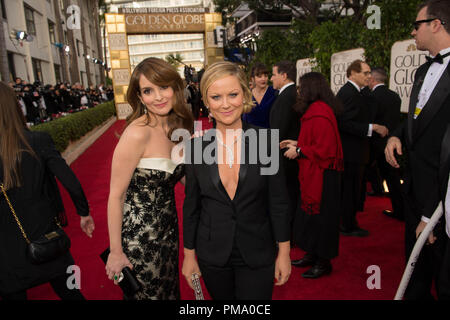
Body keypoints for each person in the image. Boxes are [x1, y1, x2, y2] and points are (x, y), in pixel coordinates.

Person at [182, 61, 291, 300]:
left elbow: (279, 202)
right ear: (207, 102)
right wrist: (189, 256)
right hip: (212, 253)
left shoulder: (265, 142)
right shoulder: (196, 148)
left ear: (244, 94)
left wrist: (284, 251)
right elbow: (191, 207)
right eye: (216, 96)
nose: (225, 104)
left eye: (233, 94)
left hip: (258, 250)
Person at [105, 57, 193, 300]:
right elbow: (116, 196)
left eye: (163, 87)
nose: (158, 97)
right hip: (140, 239)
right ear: (140, 97)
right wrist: (115, 251)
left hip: (169, 233)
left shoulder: (179, 128)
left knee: (170, 292)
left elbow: (185, 180)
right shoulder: (136, 133)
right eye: (148, 90)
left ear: (176, 88)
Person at [0, 81, 95, 300]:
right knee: (72, 294)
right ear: (14, 107)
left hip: (6, 251)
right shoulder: (38, 141)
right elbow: (70, 181)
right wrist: (84, 213)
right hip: (47, 237)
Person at [385, 0, 450, 300]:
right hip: (414, 188)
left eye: (417, 24)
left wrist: (432, 211)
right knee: (416, 270)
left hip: (443, 198)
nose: (412, 31)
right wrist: (396, 136)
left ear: (436, 24)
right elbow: (416, 118)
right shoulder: (422, 71)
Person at [280, 72, 344, 279]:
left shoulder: (320, 111)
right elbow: (316, 141)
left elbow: (326, 150)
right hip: (316, 173)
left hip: (324, 176)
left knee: (322, 219)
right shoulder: (316, 109)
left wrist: (299, 151)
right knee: (311, 218)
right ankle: (312, 254)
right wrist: (296, 143)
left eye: (301, 87)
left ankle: (323, 262)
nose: (298, 91)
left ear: (310, 88)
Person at [337, 60, 388, 237]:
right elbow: (343, 123)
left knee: (352, 190)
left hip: (355, 151)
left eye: (369, 73)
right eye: (365, 73)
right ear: (352, 73)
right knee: (349, 191)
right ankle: (347, 225)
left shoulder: (356, 92)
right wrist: (371, 127)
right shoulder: (348, 93)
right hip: (351, 152)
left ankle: (348, 222)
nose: (369, 76)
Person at [368, 67, 404, 220]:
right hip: (392, 142)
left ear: (373, 80)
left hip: (374, 144)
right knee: (393, 178)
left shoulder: (371, 97)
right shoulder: (395, 96)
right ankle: (400, 209)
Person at [270, 60, 301, 231]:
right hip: (288, 153)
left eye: (274, 74)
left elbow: (279, 130)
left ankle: (289, 231)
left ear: (284, 75)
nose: (271, 79)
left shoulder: (286, 97)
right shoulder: (288, 95)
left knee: (288, 194)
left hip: (286, 155)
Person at [243, 62, 277, 128]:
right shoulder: (247, 95)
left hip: (270, 134)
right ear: (252, 79)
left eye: (266, 76)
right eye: (259, 76)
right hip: (251, 135)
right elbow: (244, 119)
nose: (263, 79)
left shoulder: (274, 92)